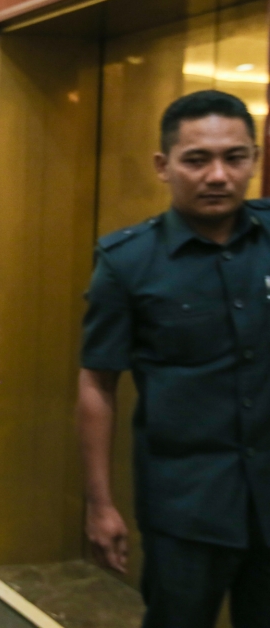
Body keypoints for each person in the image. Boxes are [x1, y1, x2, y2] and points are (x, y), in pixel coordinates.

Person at [78, 90, 270, 628]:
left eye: (235, 158)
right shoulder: (128, 263)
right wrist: (100, 504)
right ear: (164, 166)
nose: (218, 175)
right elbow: (97, 383)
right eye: (196, 159)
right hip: (187, 509)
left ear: (255, 158)